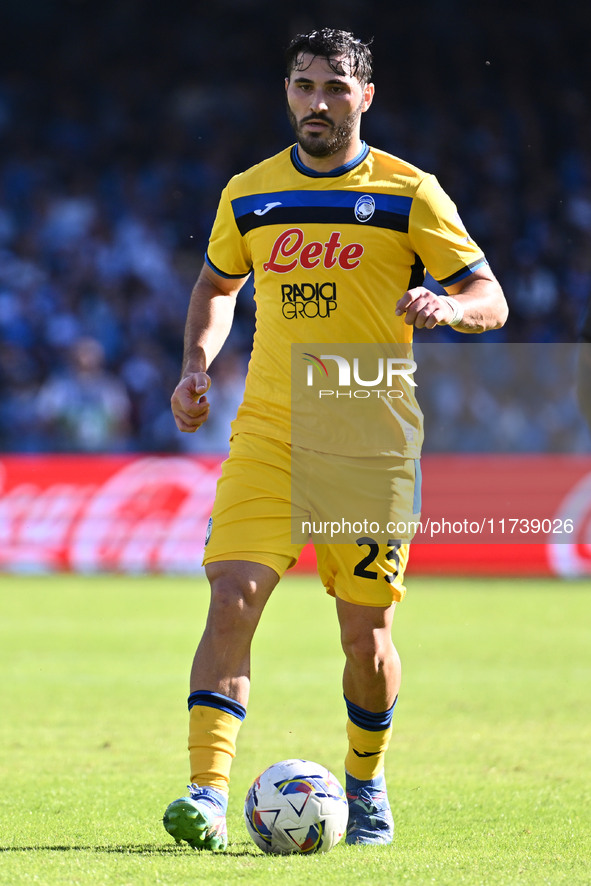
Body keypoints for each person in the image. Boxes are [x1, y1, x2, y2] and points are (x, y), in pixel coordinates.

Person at [164, 27, 508, 851]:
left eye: (333, 89)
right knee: (231, 597)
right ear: (286, 90)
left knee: (365, 636)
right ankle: (205, 795)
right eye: (301, 85)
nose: (314, 103)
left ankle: (365, 779)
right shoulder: (250, 192)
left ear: (365, 97)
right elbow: (216, 283)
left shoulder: (409, 193)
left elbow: (489, 295)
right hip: (270, 433)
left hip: (369, 440)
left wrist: (448, 308)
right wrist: (195, 366)